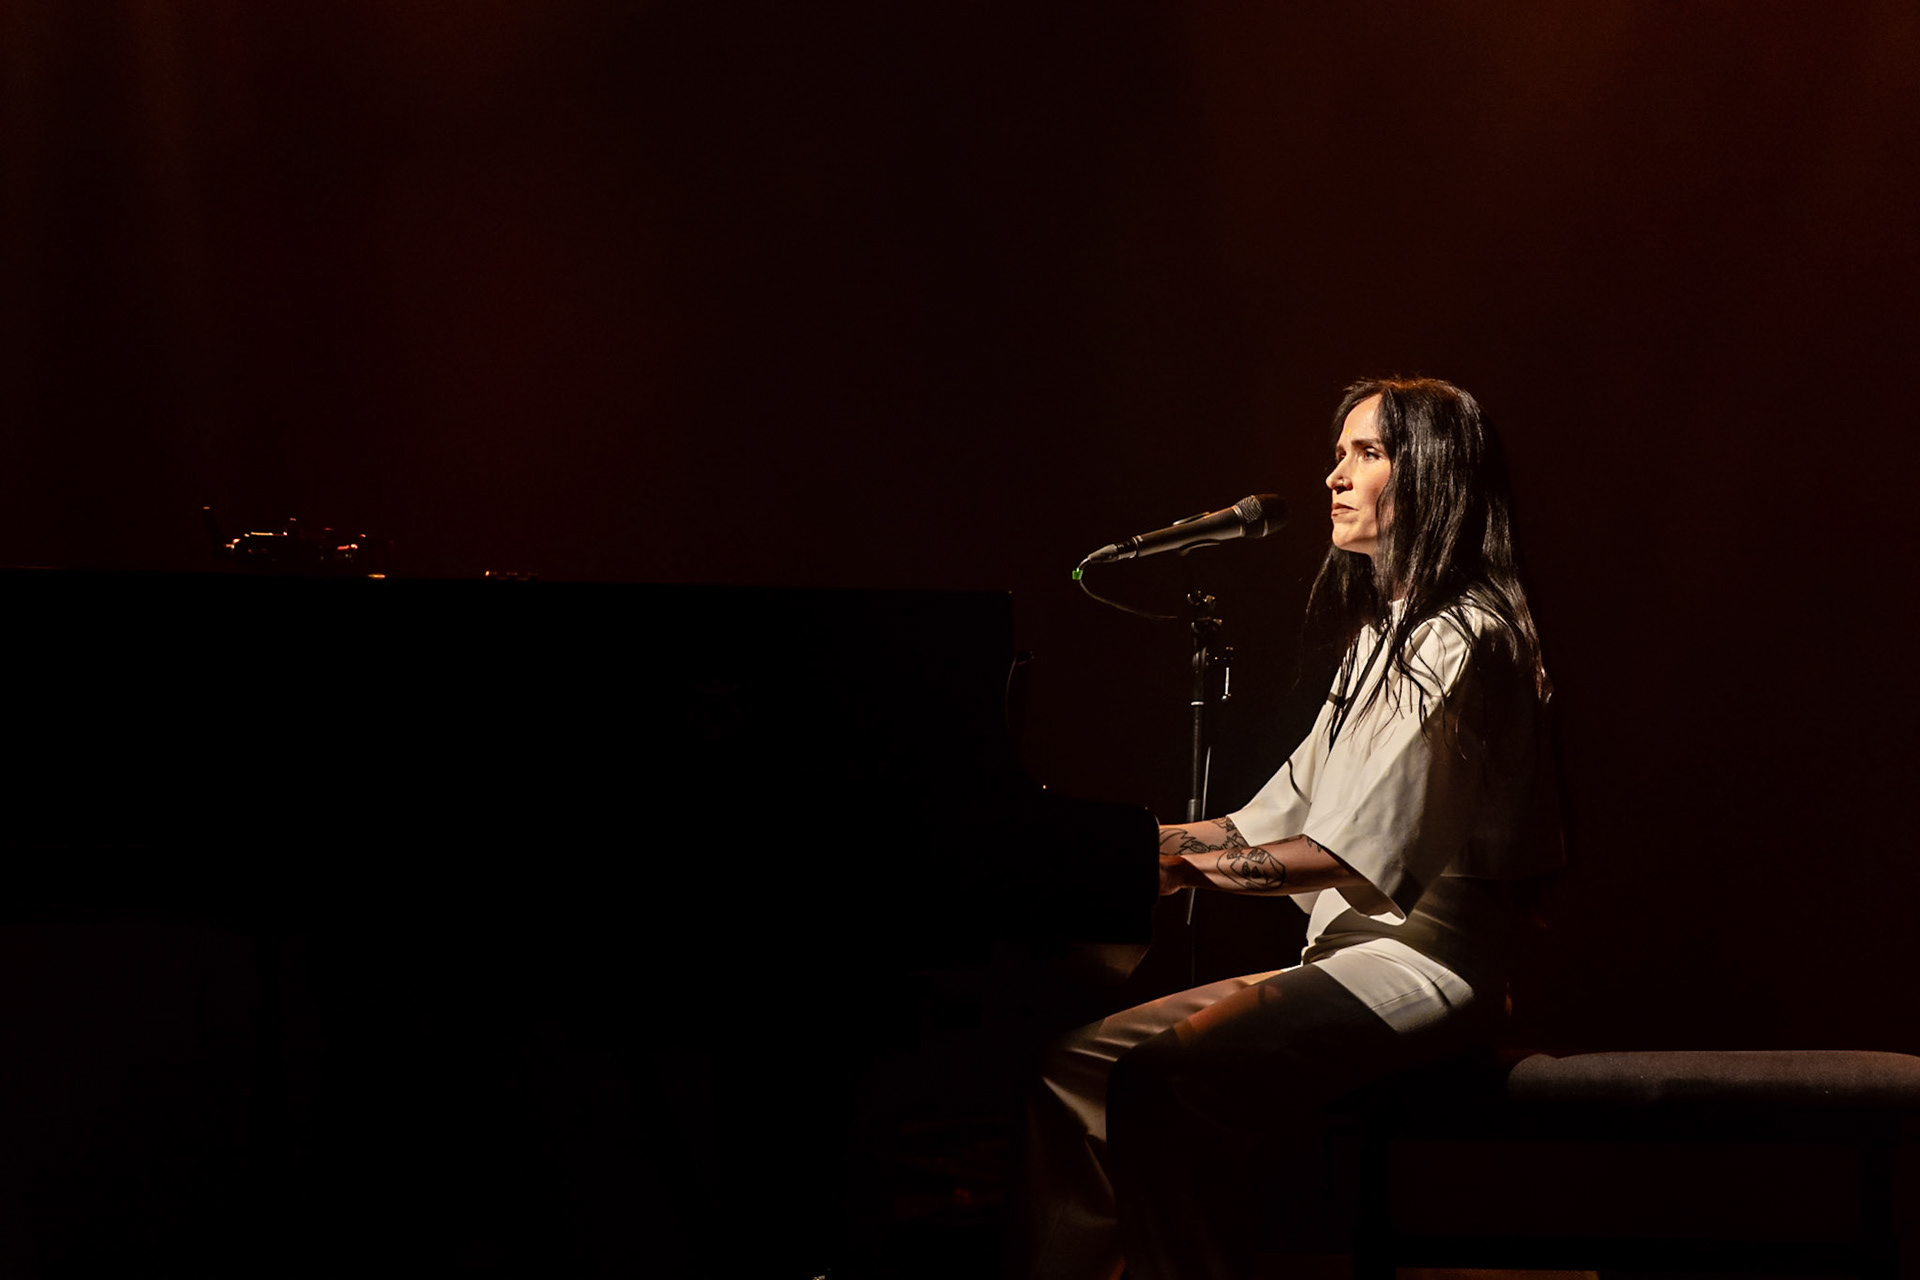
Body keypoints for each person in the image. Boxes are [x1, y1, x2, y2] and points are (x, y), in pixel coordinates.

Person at [1023, 377, 1563, 1280]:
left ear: (1432, 475)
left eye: (1367, 453)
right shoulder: (1380, 641)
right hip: (1344, 960)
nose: (1333, 477)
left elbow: (1334, 857)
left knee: (1162, 1083)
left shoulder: (1461, 637)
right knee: (1076, 1068)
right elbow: (1256, 822)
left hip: (1430, 967)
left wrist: (1154, 868)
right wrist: (1100, 847)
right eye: (1340, 452)